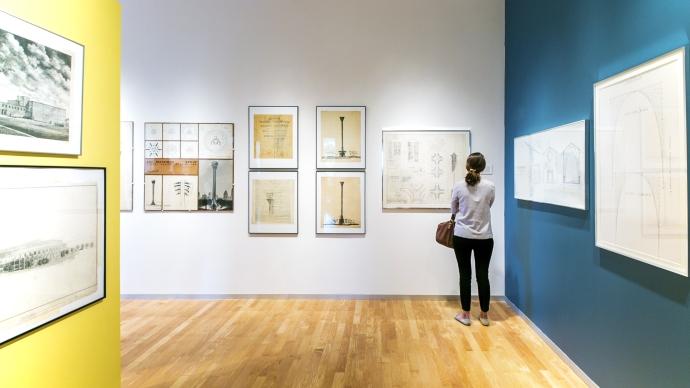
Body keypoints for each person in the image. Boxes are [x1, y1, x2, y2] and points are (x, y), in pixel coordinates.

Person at [450, 152, 495, 326]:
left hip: (462, 236)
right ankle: (484, 316)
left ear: (467, 165)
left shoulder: (459, 186)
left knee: (465, 275)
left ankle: (466, 315)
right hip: (484, 237)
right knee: (483, 275)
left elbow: (453, 209)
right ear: (483, 167)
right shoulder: (490, 186)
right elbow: (489, 205)